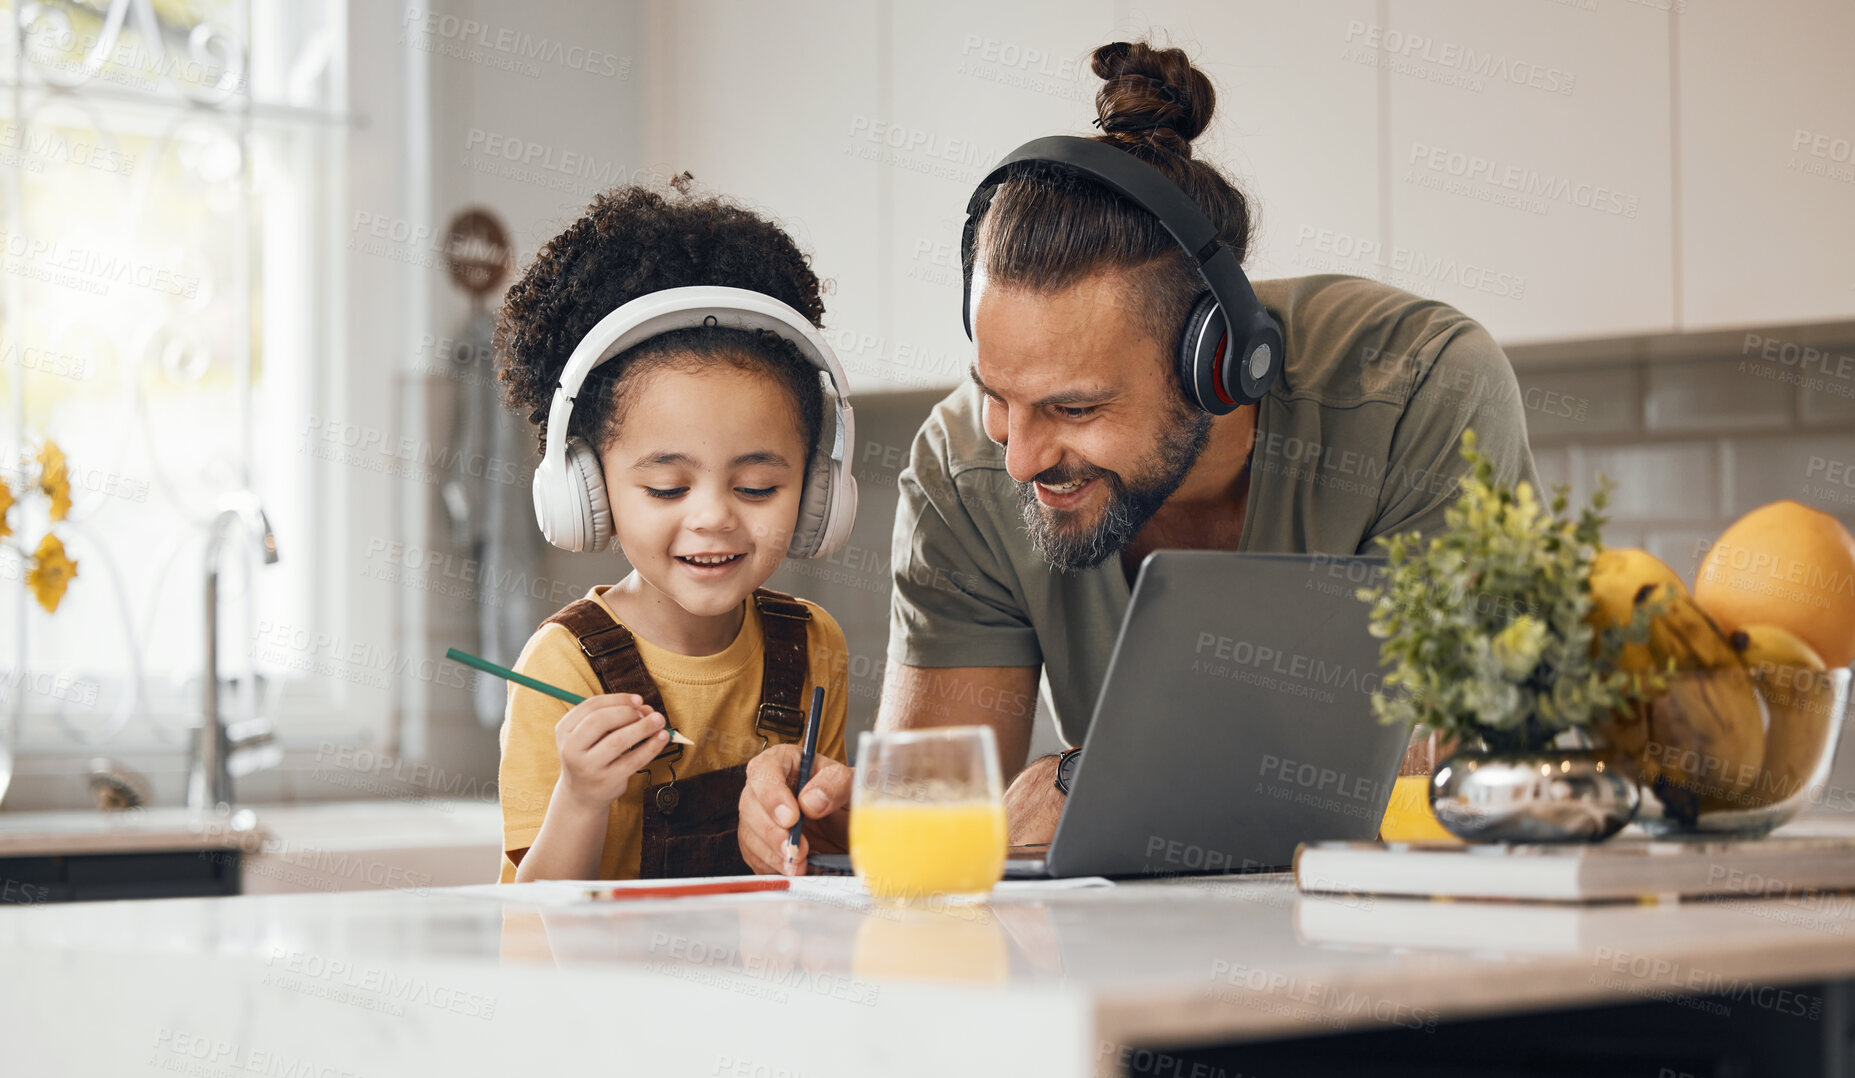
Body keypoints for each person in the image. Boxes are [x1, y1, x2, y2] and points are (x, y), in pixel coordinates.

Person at [736, 40, 1539, 875]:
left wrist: (1086, 775)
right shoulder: (966, 465)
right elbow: (948, 810)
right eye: (996, 394)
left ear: (1217, 361)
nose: (1021, 458)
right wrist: (836, 817)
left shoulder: (1418, 391)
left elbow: (1454, 758)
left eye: (1074, 408)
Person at [495, 182, 852, 882]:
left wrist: (826, 822)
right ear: (589, 491)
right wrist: (581, 796)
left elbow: (825, 875)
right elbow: (532, 931)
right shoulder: (563, 666)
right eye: (666, 487)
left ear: (816, 491)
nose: (714, 516)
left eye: (756, 487)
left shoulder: (813, 646)